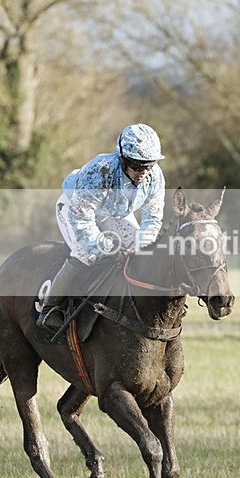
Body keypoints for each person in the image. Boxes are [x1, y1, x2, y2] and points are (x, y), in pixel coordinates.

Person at [37, 123, 166, 331]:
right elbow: (82, 218)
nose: (142, 172)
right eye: (136, 165)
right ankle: (50, 308)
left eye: (148, 165)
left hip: (113, 213)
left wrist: (141, 245)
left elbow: (152, 219)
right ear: (123, 159)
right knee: (87, 253)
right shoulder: (100, 171)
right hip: (75, 208)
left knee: (140, 252)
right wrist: (103, 246)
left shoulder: (155, 177)